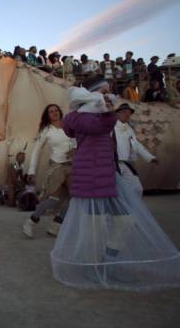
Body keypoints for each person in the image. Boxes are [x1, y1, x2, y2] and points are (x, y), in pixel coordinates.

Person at [50, 75, 180, 290]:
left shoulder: (102, 116)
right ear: (90, 94)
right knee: (96, 225)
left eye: (107, 91)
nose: (107, 95)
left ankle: (108, 260)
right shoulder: (77, 117)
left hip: (108, 173)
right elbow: (97, 127)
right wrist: (108, 111)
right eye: (102, 92)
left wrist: (107, 111)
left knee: (126, 220)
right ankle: (93, 266)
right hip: (90, 174)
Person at [22, 104, 76, 238]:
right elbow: (36, 151)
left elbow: (79, 140)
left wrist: (76, 148)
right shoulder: (46, 130)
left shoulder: (69, 125)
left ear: (60, 112)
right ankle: (30, 222)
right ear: (47, 115)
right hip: (57, 166)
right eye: (51, 112)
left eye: (56, 110)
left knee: (75, 197)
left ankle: (56, 224)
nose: (54, 113)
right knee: (53, 199)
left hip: (72, 166)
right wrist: (32, 171)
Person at [114, 103, 157, 197]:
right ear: (117, 113)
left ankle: (133, 209)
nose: (127, 114)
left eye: (129, 112)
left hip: (124, 163)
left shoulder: (129, 129)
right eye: (124, 112)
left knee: (136, 187)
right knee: (115, 190)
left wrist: (150, 157)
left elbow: (136, 145)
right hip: (111, 164)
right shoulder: (110, 127)